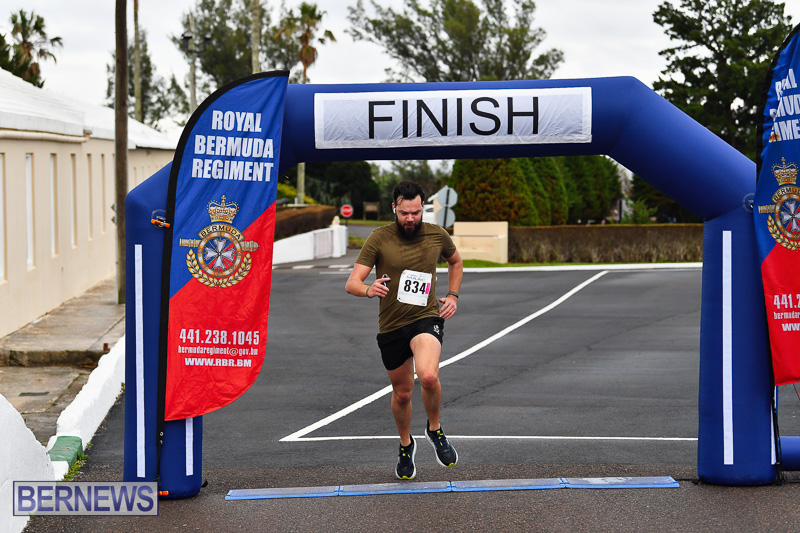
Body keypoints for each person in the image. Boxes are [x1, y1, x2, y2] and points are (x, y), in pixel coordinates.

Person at [345, 181, 463, 480]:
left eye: (416, 212)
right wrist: (369, 289)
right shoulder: (379, 238)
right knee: (402, 394)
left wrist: (452, 294)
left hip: (425, 318)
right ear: (394, 209)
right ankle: (405, 444)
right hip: (392, 325)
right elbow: (352, 282)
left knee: (428, 375)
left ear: (423, 207)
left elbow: (456, 261)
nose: (410, 219)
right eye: (404, 213)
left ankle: (434, 429)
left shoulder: (437, 234)